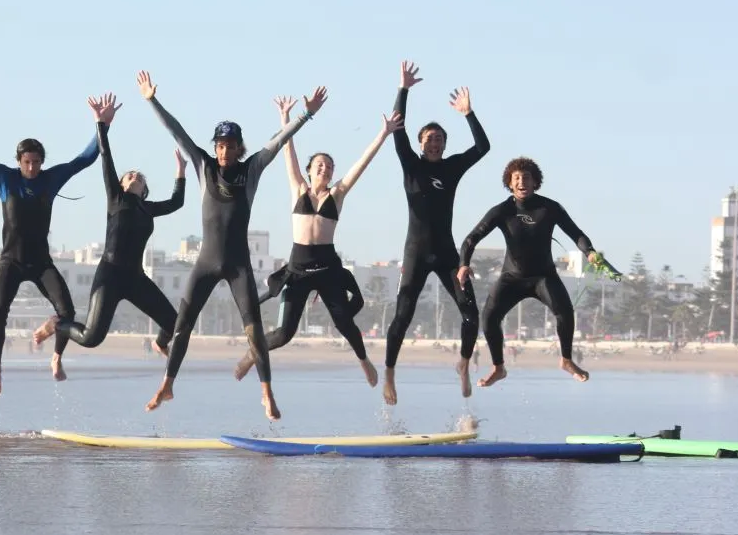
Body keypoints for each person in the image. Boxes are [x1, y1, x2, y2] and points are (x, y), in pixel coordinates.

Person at [136, 70, 326, 420]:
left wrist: (306, 114)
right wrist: (151, 100)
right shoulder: (203, 166)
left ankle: (267, 394)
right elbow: (176, 131)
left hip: (238, 265)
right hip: (206, 263)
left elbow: (278, 141)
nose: (223, 151)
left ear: (240, 147)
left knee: (253, 327)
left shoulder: (251, 169)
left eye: (229, 146)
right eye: (219, 145)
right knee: (182, 326)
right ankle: (167, 383)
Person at [234, 97, 401, 386]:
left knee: (344, 322)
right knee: (284, 333)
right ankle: (253, 352)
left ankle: (364, 362)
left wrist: (383, 134)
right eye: (320, 165)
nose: (324, 169)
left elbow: (362, 163)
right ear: (310, 170)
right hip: (298, 270)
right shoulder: (298, 187)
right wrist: (285, 117)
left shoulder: (337, 194)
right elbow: (287, 150)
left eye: (329, 167)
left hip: (327, 270)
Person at [0, 94, 99, 394]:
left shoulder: (51, 179)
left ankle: (55, 358)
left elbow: (86, 159)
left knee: (67, 311)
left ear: (43, 162)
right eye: (27, 162)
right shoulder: (4, 178)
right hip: (11, 262)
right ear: (19, 161)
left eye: (37, 162)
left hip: (41, 262)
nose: (32, 167)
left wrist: (100, 124)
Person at [32, 93, 186, 355]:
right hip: (111, 273)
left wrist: (180, 172)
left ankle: (160, 343)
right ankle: (56, 325)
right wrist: (101, 124)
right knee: (92, 337)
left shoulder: (148, 208)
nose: (134, 175)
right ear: (123, 184)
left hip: (135, 277)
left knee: (175, 323)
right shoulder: (116, 198)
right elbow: (106, 157)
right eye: (130, 175)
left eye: (139, 176)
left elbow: (176, 203)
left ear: (145, 189)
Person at [382, 61, 491, 405]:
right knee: (403, 313)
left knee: (471, 313)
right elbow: (397, 129)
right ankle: (389, 373)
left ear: (445, 145)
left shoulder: (452, 166)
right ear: (420, 143)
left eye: (439, 139)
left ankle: (462, 363)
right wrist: (403, 89)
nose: (434, 143)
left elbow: (483, 148)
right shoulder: (410, 164)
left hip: (447, 253)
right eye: (428, 139)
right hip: (415, 252)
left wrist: (469, 113)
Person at [457, 156, 600, 387]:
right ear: (510, 183)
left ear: (535, 182)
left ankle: (566, 360)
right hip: (512, 278)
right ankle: (498, 368)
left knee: (564, 311)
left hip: (543, 277)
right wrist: (464, 263)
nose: (521, 182)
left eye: (526, 178)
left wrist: (589, 252)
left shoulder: (549, 208)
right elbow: (471, 238)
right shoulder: (502, 210)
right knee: (489, 318)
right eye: (516, 178)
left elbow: (576, 233)